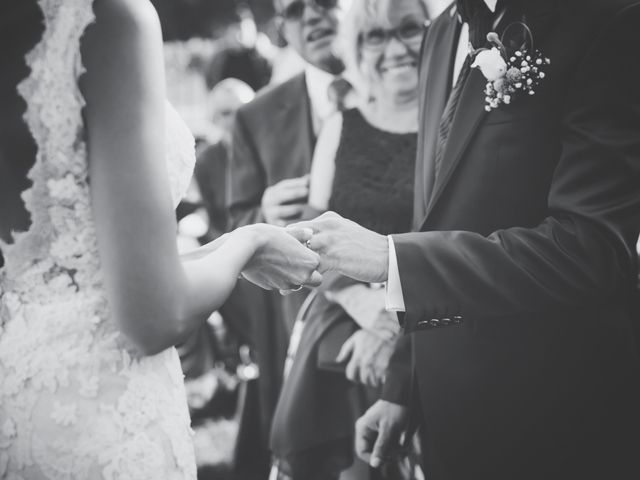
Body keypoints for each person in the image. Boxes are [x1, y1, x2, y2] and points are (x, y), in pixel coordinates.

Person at [293, 0, 640, 478]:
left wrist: (390, 258)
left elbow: (591, 249)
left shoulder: (608, 17)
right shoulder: (442, 31)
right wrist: (404, 386)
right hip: (445, 418)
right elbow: (435, 213)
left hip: (553, 418)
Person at [0, 0, 320, 478]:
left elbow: (83, 266)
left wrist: (222, 246)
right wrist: (250, 241)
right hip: (99, 408)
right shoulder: (106, 18)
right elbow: (156, 315)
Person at [269, 0, 430, 478]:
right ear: (358, 47)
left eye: (408, 30)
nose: (395, 48)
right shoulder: (341, 127)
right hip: (339, 320)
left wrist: (392, 324)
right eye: (375, 36)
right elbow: (309, 239)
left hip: (431, 323)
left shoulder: (453, 127)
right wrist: (367, 309)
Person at [226, 0, 350, 475]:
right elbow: (234, 224)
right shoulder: (254, 117)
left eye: (325, 2)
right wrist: (263, 213)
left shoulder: (405, 83)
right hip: (300, 318)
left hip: (393, 305)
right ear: (283, 28)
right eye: (297, 9)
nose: (314, 16)